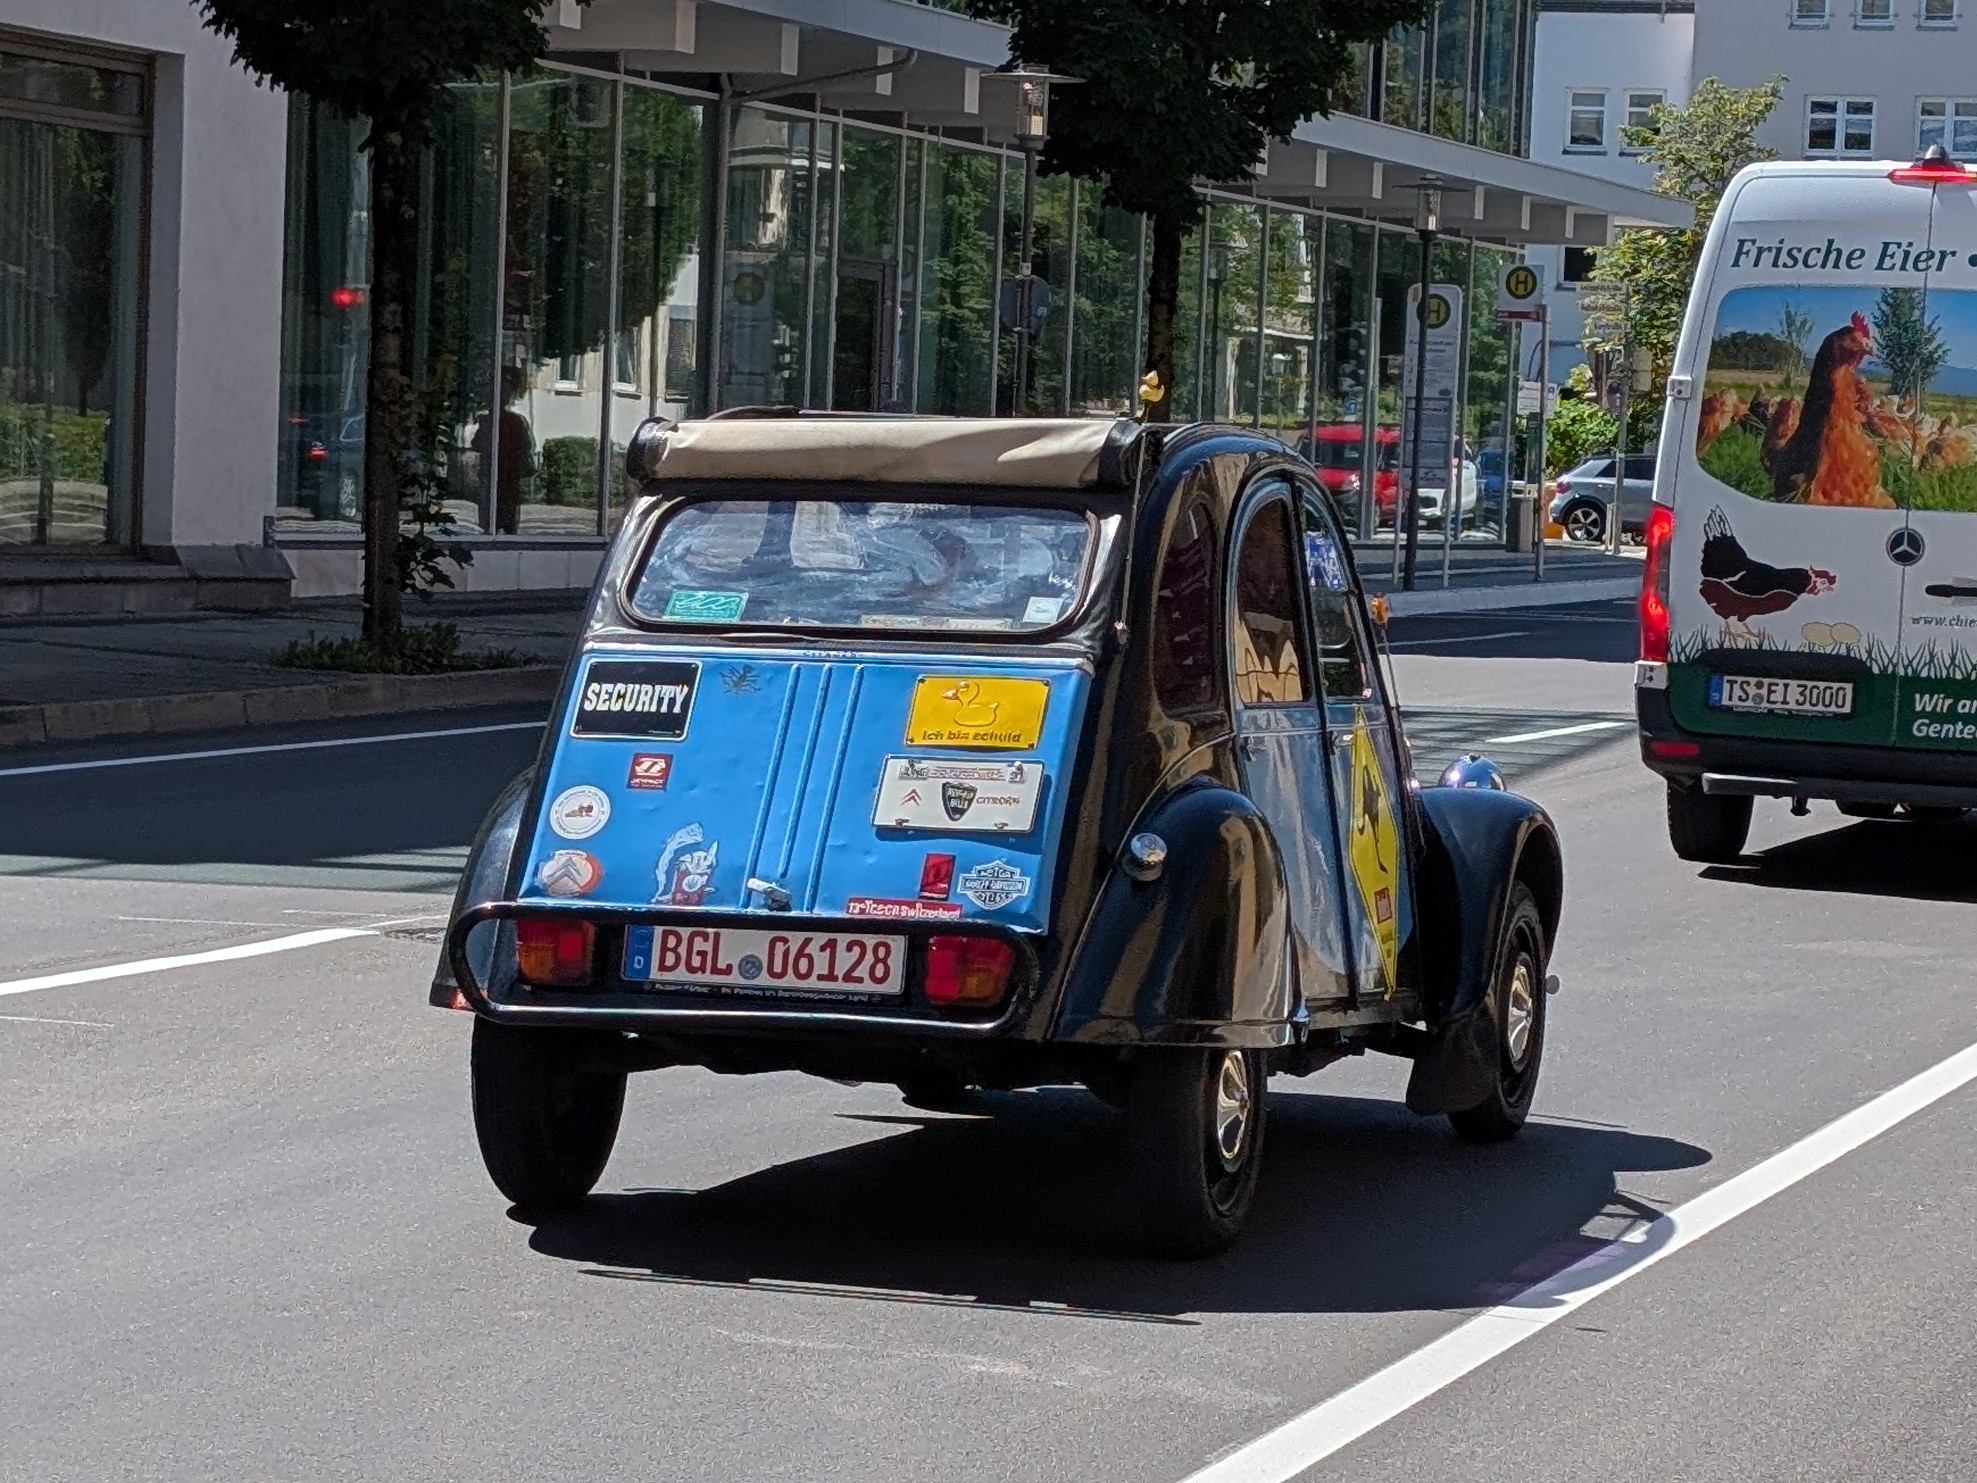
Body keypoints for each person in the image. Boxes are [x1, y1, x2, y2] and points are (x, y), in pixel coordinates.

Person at [472, 367, 535, 535]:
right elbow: (526, 446)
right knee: (506, 513)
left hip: (501, 475)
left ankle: (495, 528)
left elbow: (476, 444)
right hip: (504, 475)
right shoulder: (513, 421)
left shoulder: (493, 421)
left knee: (495, 513)